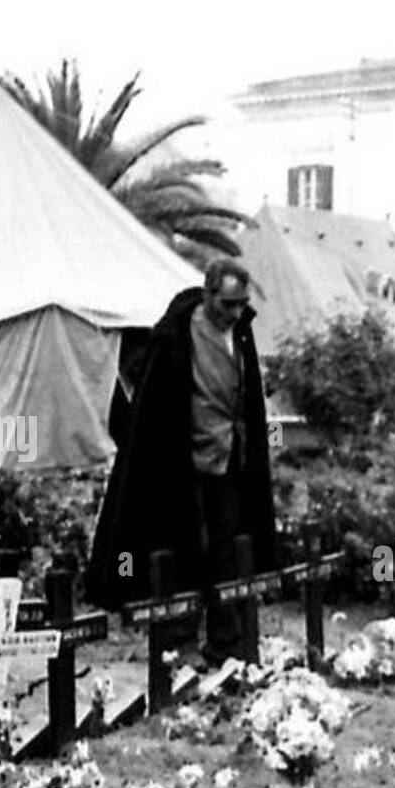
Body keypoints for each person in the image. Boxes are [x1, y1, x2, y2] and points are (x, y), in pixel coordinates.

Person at [85, 259, 277, 663]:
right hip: (181, 465)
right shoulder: (176, 335)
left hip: (227, 462)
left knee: (227, 550)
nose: (236, 313)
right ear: (208, 296)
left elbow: (247, 401)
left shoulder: (240, 333)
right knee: (184, 552)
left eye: (242, 303)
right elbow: (154, 410)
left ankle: (227, 641)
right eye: (228, 304)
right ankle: (180, 640)